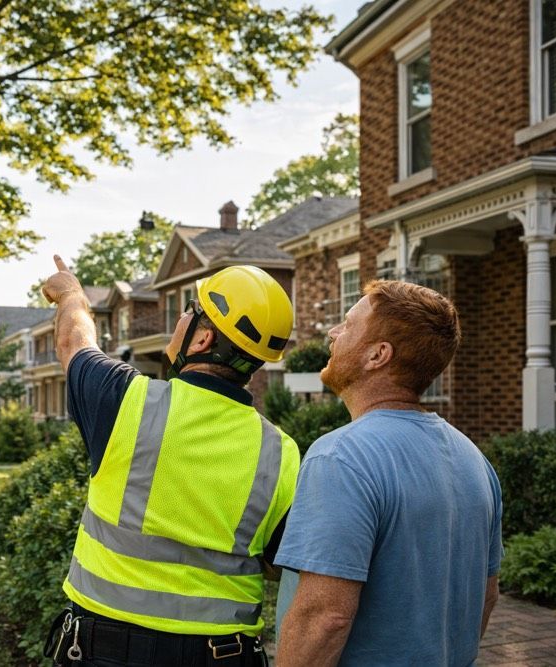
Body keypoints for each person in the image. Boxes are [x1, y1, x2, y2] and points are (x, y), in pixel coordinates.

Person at [40, 255, 300, 667]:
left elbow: (74, 341)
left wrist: (72, 293)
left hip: (107, 653)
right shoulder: (281, 451)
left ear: (202, 340)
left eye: (189, 312)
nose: (180, 320)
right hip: (223, 656)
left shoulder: (126, 401)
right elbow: (277, 563)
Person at [273, 280, 503, 667]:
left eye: (347, 325)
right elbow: (487, 595)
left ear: (378, 355)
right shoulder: (474, 459)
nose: (333, 333)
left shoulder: (341, 457)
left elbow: (324, 618)